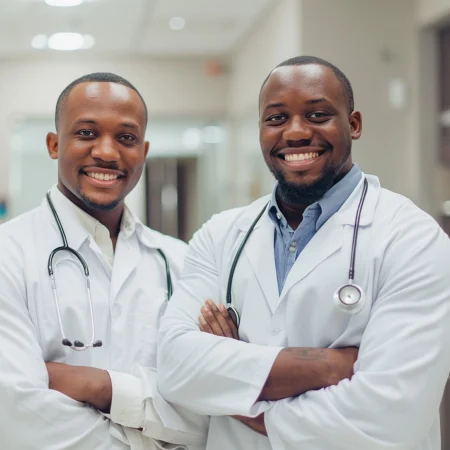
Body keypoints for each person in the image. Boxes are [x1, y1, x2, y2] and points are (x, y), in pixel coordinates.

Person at [156, 56, 450, 450]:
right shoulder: (220, 235)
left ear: (354, 124)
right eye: (276, 119)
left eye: (317, 114)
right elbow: (176, 368)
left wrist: (232, 391)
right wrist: (330, 367)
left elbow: (389, 417)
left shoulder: (412, 238)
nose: (295, 133)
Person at [0, 73, 207, 449]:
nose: (107, 152)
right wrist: (156, 428)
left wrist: (100, 387)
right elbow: (15, 410)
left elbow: (208, 409)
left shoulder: (179, 261)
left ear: (143, 152)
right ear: (53, 144)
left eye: (126, 138)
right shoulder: (8, 254)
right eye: (87, 133)